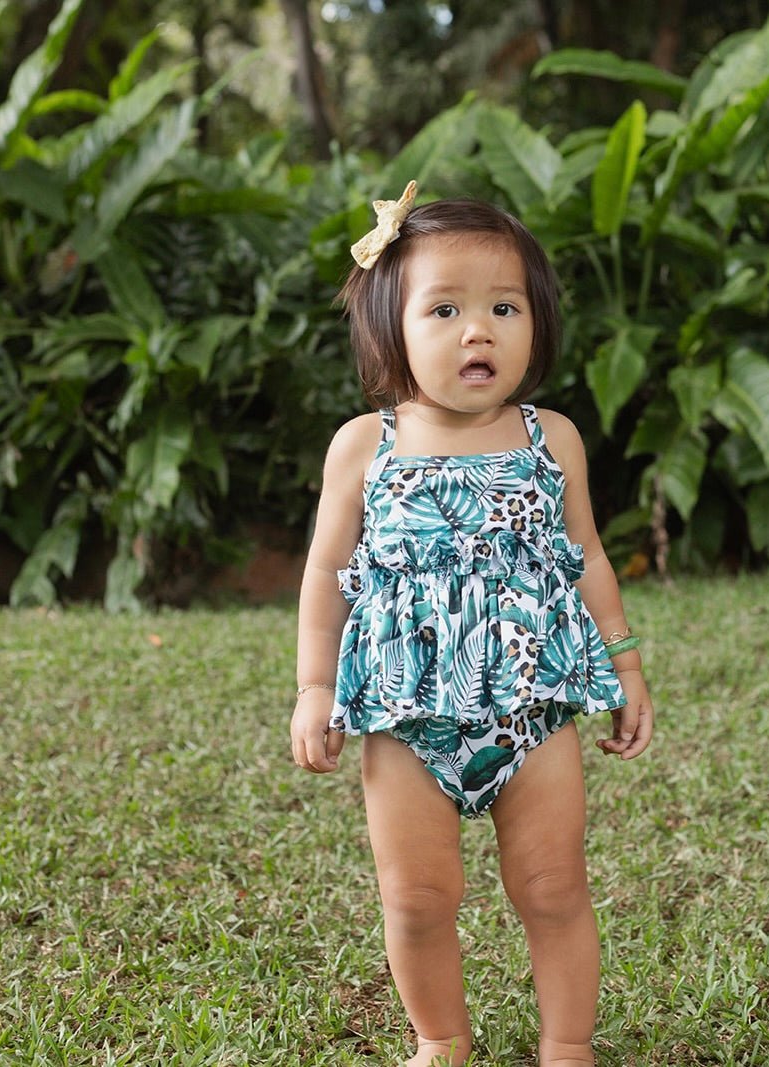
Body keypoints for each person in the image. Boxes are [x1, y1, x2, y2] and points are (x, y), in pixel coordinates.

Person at [290, 181, 654, 1067]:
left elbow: (586, 555)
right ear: (390, 328)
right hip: (406, 716)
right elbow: (326, 574)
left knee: (553, 886)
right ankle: (440, 1039)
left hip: (532, 709)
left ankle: (567, 1046)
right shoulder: (365, 445)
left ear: (537, 323)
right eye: (444, 309)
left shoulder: (548, 437)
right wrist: (313, 686)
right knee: (416, 898)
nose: (477, 331)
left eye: (503, 307)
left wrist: (625, 665)